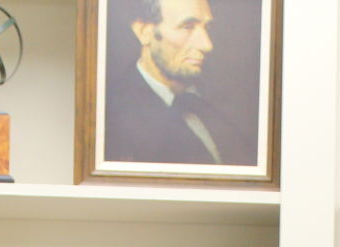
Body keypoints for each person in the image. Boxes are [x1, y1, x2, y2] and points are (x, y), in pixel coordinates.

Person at [105, 0, 251, 166]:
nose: (207, 45)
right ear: (144, 32)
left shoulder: (214, 102)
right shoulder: (111, 117)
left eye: (207, 28)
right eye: (187, 27)